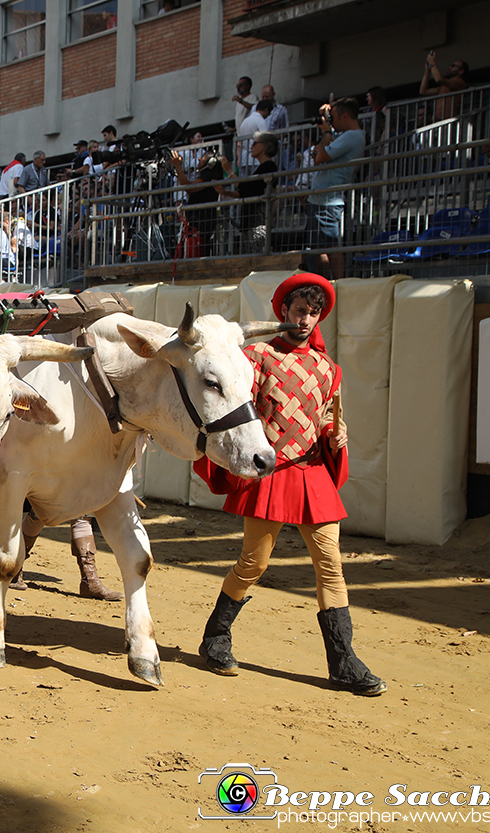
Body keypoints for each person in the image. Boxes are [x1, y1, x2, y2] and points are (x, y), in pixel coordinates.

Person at [193, 272, 386, 697]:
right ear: (284, 310)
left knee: (330, 565)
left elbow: (328, 419)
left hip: (312, 472)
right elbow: (236, 406)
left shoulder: (328, 369)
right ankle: (215, 638)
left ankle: (343, 662)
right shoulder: (256, 358)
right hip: (272, 474)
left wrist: (338, 433)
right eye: (300, 310)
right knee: (253, 565)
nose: (306, 319)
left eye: (314, 313)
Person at [305, 97, 364, 280]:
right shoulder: (346, 135)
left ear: (345, 116)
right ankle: (323, 283)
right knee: (317, 246)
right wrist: (327, 120)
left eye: (335, 118)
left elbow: (320, 156)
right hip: (321, 197)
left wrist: (327, 132)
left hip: (328, 199)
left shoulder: (352, 136)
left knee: (329, 246)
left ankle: (336, 283)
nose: (333, 123)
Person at [221, 130, 278, 253]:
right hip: (251, 224)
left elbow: (245, 187)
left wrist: (229, 171)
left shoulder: (269, 167)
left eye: (255, 144)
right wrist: (225, 192)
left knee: (258, 259)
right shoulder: (262, 168)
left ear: (265, 146)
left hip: (258, 223)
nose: (251, 147)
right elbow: (246, 192)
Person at [419, 50, 468, 121]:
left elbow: (439, 79)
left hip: (448, 121)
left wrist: (432, 62)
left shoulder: (460, 82)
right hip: (437, 121)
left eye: (453, 66)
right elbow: (423, 91)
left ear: (461, 71)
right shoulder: (444, 87)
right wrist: (427, 71)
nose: (450, 67)